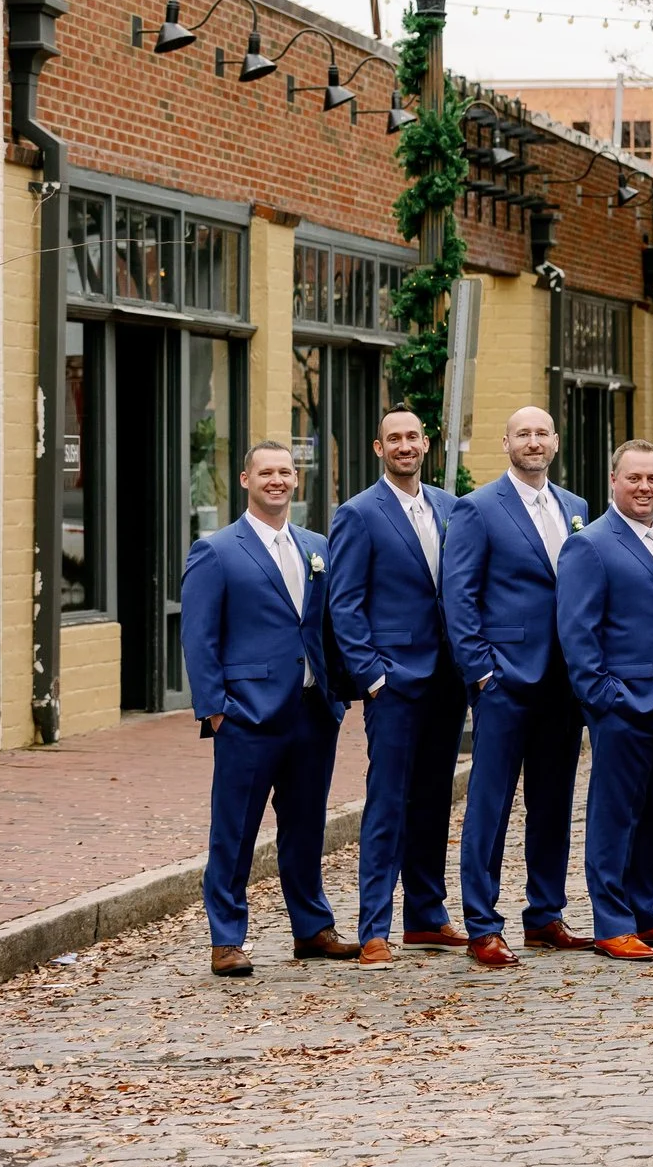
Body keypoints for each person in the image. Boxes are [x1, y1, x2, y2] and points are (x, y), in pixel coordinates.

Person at [181, 441, 357, 977]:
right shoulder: (216, 550)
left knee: (306, 827)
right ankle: (227, 939)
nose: (277, 480)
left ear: (296, 481)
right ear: (245, 480)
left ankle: (312, 928)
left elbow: (327, 626)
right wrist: (216, 710)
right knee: (234, 833)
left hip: (311, 712)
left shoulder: (316, 546)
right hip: (246, 716)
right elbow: (199, 636)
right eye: (266, 472)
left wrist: (335, 699)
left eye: (286, 471)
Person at [442, 405, 595, 967]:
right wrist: (480, 670)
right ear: (506, 442)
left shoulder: (576, 507)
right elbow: (457, 596)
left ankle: (545, 915)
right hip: (504, 679)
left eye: (542, 433)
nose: (533, 442)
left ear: (555, 442)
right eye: (522, 434)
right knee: (491, 804)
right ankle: (483, 924)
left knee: (553, 803)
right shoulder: (478, 509)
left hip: (564, 681)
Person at [555, 439, 653, 960]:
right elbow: (578, 632)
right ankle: (611, 921)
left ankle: (648, 911)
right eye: (634, 479)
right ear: (613, 481)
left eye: (652, 479)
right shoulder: (590, 544)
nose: (644, 488)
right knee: (614, 812)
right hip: (623, 701)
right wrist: (603, 696)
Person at [324, 405, 465, 965]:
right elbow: (345, 602)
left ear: (425, 444)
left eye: (413, 437)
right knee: (388, 801)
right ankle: (375, 924)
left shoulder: (452, 508)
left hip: (447, 680)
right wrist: (372, 676)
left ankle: (427, 916)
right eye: (394, 439)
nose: (405, 446)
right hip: (394, 682)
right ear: (379, 449)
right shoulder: (359, 514)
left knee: (434, 798)